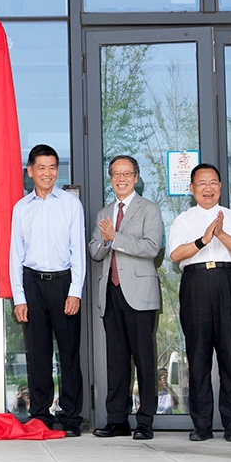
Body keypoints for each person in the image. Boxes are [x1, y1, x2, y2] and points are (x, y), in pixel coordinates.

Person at [168, 163, 231, 442]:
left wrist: (221, 234)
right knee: (198, 357)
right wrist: (203, 240)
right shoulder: (183, 220)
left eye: (213, 182)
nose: (208, 188)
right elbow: (176, 254)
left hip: (227, 281)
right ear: (192, 188)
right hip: (195, 283)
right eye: (202, 183)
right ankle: (201, 425)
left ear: (220, 186)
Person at [9, 144, 86, 437]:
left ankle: (71, 416)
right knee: (38, 353)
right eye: (41, 167)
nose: (47, 173)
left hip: (64, 282)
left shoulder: (70, 204)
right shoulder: (21, 207)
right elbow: (15, 255)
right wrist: (19, 297)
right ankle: (40, 414)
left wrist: (75, 291)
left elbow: (78, 251)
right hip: (32, 283)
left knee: (69, 353)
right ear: (30, 171)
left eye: (52, 167)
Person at [88, 155, 163, 440]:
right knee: (116, 361)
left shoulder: (149, 209)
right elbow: (95, 251)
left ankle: (145, 421)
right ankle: (117, 420)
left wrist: (116, 237)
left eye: (126, 174)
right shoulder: (105, 212)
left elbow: (152, 247)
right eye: (116, 174)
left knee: (144, 359)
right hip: (111, 292)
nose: (121, 179)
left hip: (140, 294)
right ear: (111, 179)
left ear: (136, 177)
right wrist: (107, 240)